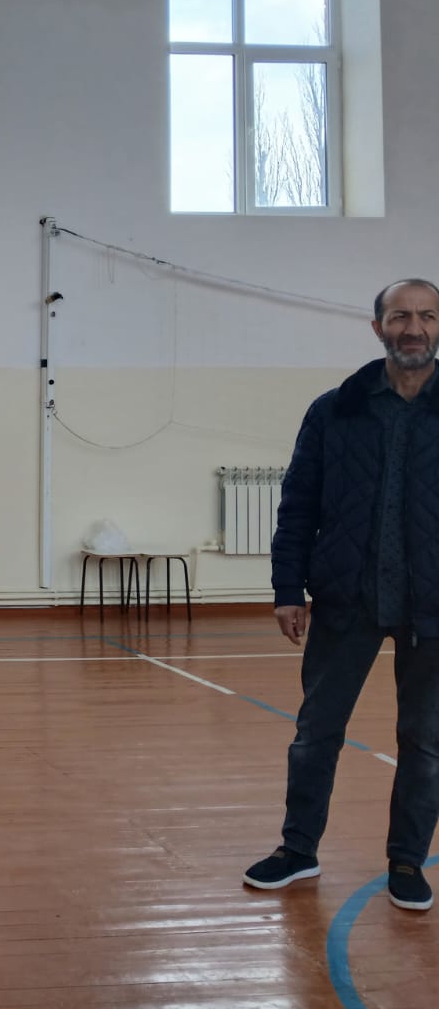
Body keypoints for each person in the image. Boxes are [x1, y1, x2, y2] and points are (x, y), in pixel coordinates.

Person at [243, 277, 439, 913]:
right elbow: (298, 503)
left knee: (426, 743)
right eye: (401, 316)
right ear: (378, 327)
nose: (414, 328)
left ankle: (406, 861)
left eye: (428, 316)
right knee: (315, 733)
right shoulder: (334, 410)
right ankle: (298, 849)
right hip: (346, 599)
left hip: (433, 608)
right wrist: (287, 587)